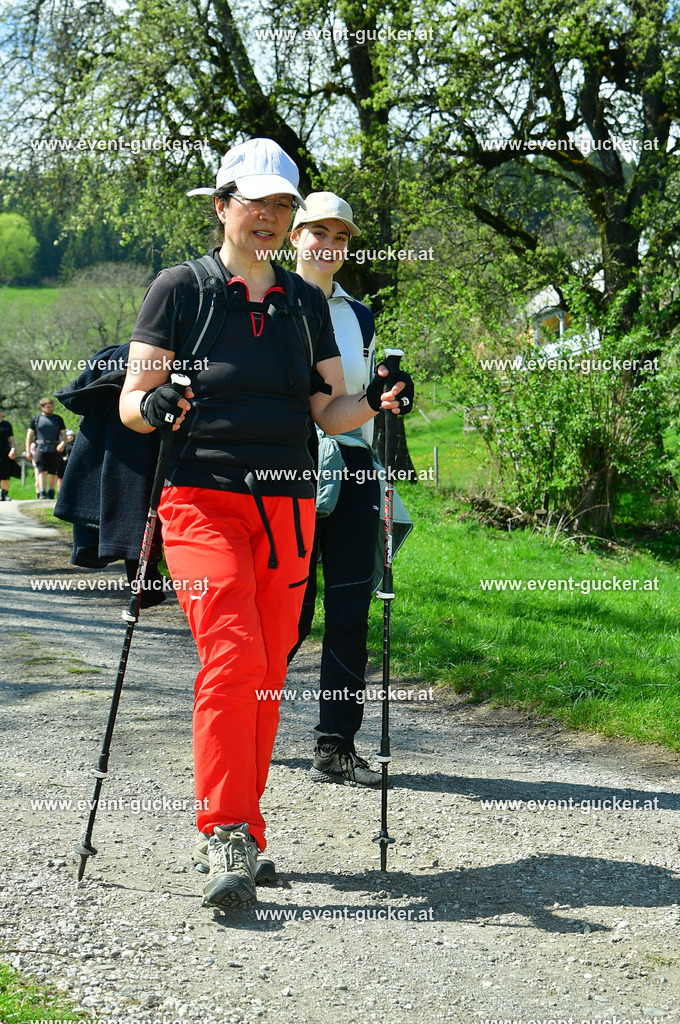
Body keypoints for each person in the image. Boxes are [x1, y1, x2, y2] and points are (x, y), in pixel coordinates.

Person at [119, 138, 413, 910]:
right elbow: (133, 401)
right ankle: (223, 831)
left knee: (268, 671)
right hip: (200, 500)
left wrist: (375, 401)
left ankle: (245, 830)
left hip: (286, 509)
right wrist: (153, 405)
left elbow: (328, 410)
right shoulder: (179, 290)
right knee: (233, 655)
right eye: (258, 204)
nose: (272, 219)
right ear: (222, 207)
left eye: (284, 207)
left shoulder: (305, 303)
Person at [286, 192, 411, 787]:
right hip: (286, 472)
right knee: (287, 613)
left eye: (339, 236)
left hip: (356, 466)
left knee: (349, 610)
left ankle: (335, 743)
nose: (327, 244)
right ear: (294, 236)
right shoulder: (269, 298)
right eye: (316, 232)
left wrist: (390, 395)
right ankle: (242, 727)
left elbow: (356, 400)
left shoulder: (358, 315)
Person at [26, 397, 66, 499]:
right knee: (42, 471)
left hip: (54, 448)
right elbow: (29, 435)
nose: (50, 408)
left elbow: (63, 434)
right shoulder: (36, 419)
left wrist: (62, 443)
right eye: (48, 407)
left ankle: (51, 492)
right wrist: (28, 451)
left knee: (53, 473)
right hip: (40, 448)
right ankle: (42, 492)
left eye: (51, 407)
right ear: (42, 408)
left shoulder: (58, 419)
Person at [0, 406, 19, 500]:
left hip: (5, 453)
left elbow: (11, 439)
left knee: (5, 475)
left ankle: (5, 494)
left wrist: (13, 449)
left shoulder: (7, 425)